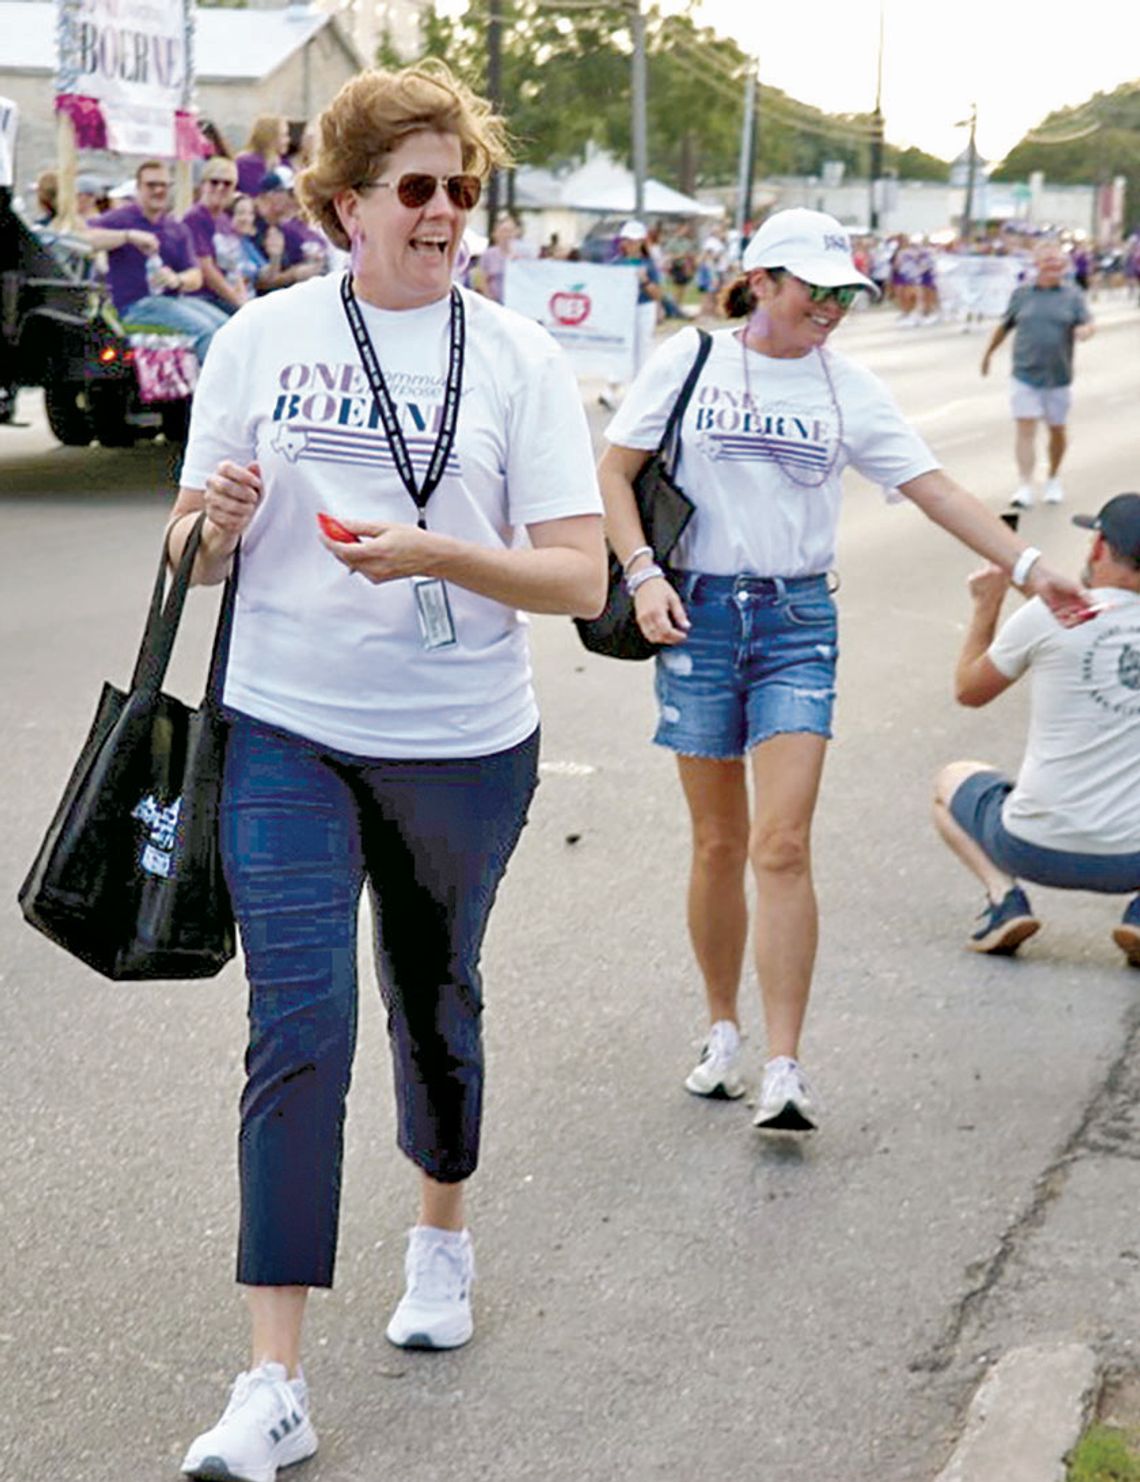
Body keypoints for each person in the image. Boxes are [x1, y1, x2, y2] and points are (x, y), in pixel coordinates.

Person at [164, 58, 605, 1482]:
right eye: (415, 188)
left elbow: (579, 573)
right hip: (286, 723)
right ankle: (271, 1381)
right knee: (300, 1024)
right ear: (344, 204)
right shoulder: (262, 341)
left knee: (435, 1000)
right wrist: (211, 523)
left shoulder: (522, 357)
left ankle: (441, 1233)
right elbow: (187, 543)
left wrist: (437, 555)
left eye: (461, 188)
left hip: (465, 745)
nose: (443, 213)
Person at [596, 207, 1089, 1136]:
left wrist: (1032, 570)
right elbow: (615, 473)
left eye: (844, 294)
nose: (832, 307)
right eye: (815, 290)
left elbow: (932, 487)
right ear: (764, 282)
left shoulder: (847, 388)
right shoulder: (690, 361)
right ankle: (723, 1031)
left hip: (796, 621)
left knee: (782, 843)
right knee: (716, 843)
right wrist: (643, 572)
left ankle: (785, 1065)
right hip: (695, 614)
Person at [933, 492, 1140, 962]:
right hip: (1132, 859)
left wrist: (987, 607)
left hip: (1030, 846)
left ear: (1097, 547)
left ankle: (1003, 900)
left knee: (949, 781)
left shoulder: (1047, 616)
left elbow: (969, 691)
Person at [981, 240, 1095, 509]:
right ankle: (1024, 485)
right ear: (1037, 264)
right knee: (1025, 428)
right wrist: (988, 354)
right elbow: (1005, 325)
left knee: (1057, 429)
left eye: (1058, 261)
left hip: (1058, 376)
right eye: (1047, 260)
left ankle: (1053, 477)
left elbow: (1088, 323)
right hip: (1024, 373)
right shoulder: (1022, 294)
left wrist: (1085, 331)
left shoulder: (1073, 295)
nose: (1053, 266)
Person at [87, 158, 230, 363]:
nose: (158, 191)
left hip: (173, 300)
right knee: (207, 332)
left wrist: (176, 280)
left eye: (163, 185)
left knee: (228, 328)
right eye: (151, 185)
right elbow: (84, 238)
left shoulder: (176, 227)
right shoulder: (120, 219)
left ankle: (233, 388)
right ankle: (212, 392)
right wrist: (128, 236)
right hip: (135, 305)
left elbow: (196, 276)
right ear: (138, 188)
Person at [598, 219, 661, 411]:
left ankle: (637, 393)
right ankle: (611, 389)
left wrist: (644, 280)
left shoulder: (648, 264)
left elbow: (657, 294)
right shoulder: (615, 264)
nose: (630, 244)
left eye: (634, 240)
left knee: (642, 348)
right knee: (620, 348)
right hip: (621, 311)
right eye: (627, 240)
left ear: (642, 241)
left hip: (643, 308)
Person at [182, 155, 249, 314]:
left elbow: (234, 267)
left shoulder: (225, 220)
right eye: (214, 182)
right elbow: (206, 269)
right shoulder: (195, 218)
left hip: (227, 296)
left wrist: (244, 299)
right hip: (203, 297)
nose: (220, 187)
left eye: (227, 184)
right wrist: (237, 301)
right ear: (203, 185)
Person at [235, 113, 290, 197]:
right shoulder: (246, 163)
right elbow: (254, 194)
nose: (288, 140)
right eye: (283, 135)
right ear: (270, 137)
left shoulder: (285, 163)